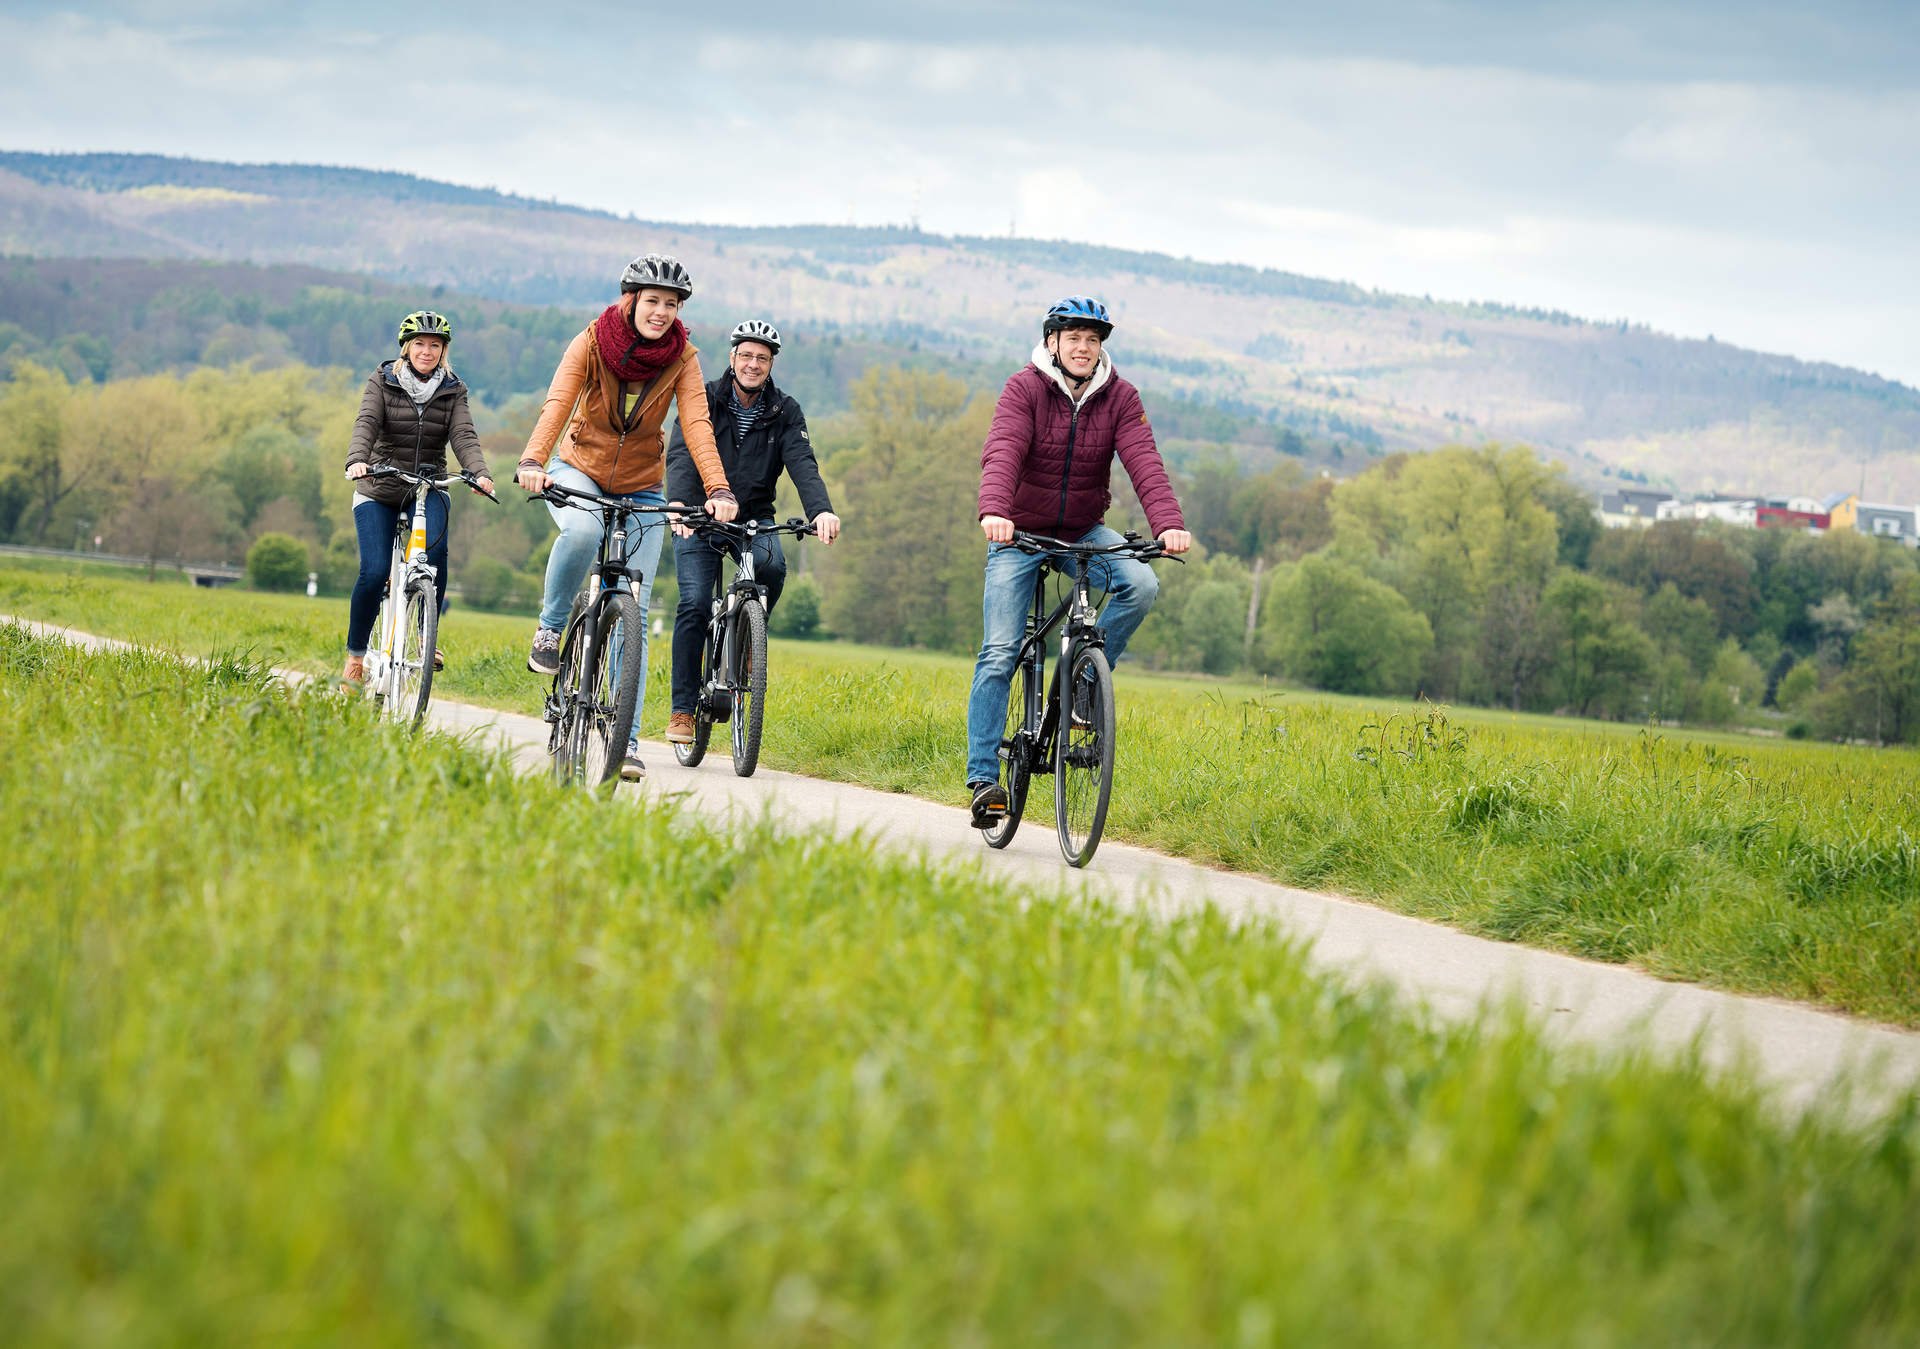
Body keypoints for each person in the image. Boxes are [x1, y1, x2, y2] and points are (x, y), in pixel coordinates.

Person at [965, 296, 1192, 827]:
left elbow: (1144, 461)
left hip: (1083, 530)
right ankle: (984, 780)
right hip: (1019, 532)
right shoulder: (1024, 388)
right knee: (1000, 652)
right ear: (1053, 342)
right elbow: (1003, 450)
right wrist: (995, 511)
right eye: (1074, 338)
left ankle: (1082, 686)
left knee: (1141, 584)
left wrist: (1167, 523)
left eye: (1092, 339)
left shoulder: (1120, 397)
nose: (1084, 348)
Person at [516, 253, 738, 782]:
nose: (661, 312)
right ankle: (550, 629)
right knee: (583, 530)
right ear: (631, 300)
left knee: (632, 610)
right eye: (653, 301)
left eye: (672, 304)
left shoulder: (683, 358)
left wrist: (718, 487)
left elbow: (697, 425)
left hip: (642, 485)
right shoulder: (592, 341)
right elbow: (558, 403)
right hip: (578, 469)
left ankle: (626, 741)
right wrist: (532, 460)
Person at [663, 319, 841, 744]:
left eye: (762, 358)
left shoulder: (785, 410)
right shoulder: (704, 397)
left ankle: (747, 639)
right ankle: (683, 710)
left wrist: (821, 510)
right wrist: (680, 503)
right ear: (732, 357)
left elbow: (803, 463)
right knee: (694, 603)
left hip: (753, 519)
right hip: (699, 514)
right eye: (746, 355)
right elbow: (683, 453)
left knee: (773, 568)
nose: (753, 364)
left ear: (771, 364)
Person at [342, 310, 493, 690]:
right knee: (374, 571)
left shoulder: (453, 389)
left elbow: (464, 435)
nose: (427, 351)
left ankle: (427, 636)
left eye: (435, 345)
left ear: (444, 351)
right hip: (379, 486)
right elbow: (366, 423)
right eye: (420, 344)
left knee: (434, 555)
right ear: (407, 348)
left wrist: (479, 473)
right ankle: (355, 658)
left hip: (427, 486)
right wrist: (358, 460)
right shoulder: (383, 380)